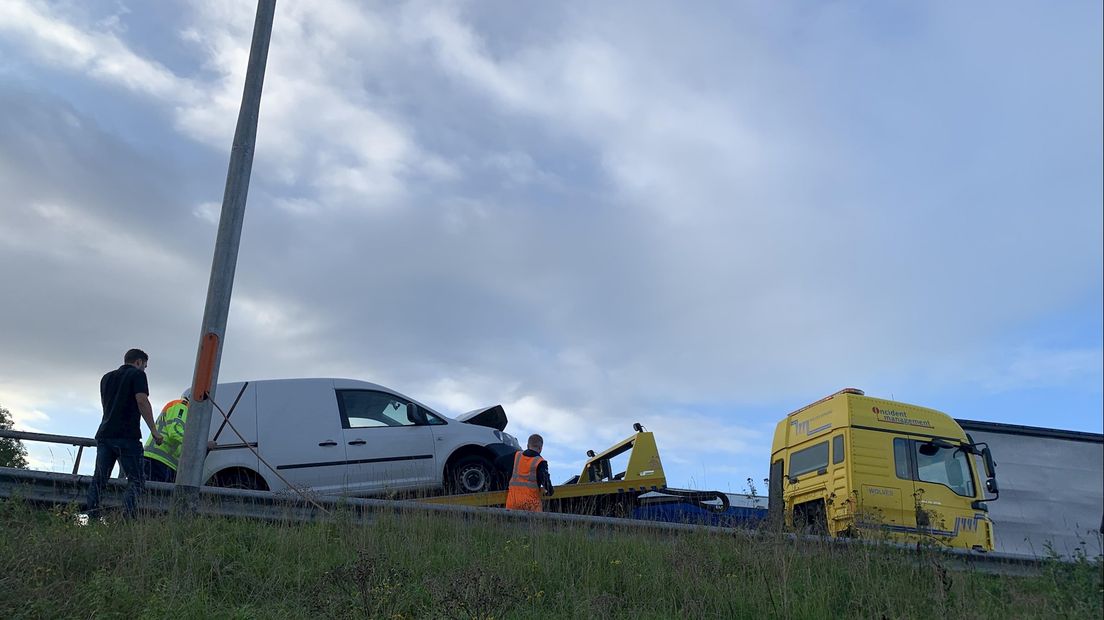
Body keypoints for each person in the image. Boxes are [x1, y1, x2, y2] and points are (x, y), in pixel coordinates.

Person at [85, 348, 163, 520]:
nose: (144, 369)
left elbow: (107, 405)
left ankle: (92, 518)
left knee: (99, 479)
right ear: (138, 362)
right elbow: (142, 401)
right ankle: (127, 520)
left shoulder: (106, 378)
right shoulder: (137, 375)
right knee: (136, 481)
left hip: (105, 434)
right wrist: (154, 431)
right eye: (145, 365)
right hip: (127, 436)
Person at [142, 397, 189, 483]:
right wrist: (199, 445)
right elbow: (175, 432)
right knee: (155, 494)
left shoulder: (179, 407)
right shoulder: (182, 406)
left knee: (149, 494)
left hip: (159, 460)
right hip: (158, 461)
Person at [505, 434, 554, 512]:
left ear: (527, 445)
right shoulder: (540, 462)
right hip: (531, 507)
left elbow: (498, 462)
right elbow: (547, 485)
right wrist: (550, 492)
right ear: (540, 448)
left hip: (512, 505)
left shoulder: (516, 455)